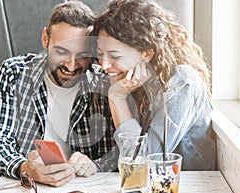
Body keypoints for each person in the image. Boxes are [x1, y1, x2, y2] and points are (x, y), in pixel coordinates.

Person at [0, 1, 117, 187]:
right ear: (46, 39)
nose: (71, 66)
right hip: (28, 187)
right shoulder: (15, 73)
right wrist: (24, 168)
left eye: (83, 54)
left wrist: (96, 165)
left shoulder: (103, 82)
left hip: (84, 189)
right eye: (62, 51)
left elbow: (121, 151)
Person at [91, 0, 216, 170]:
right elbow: (123, 150)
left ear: (147, 53)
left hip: (185, 187)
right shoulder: (131, 80)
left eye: (115, 56)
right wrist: (92, 166)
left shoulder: (182, 82)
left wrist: (117, 97)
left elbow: (143, 164)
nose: (104, 65)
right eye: (100, 53)